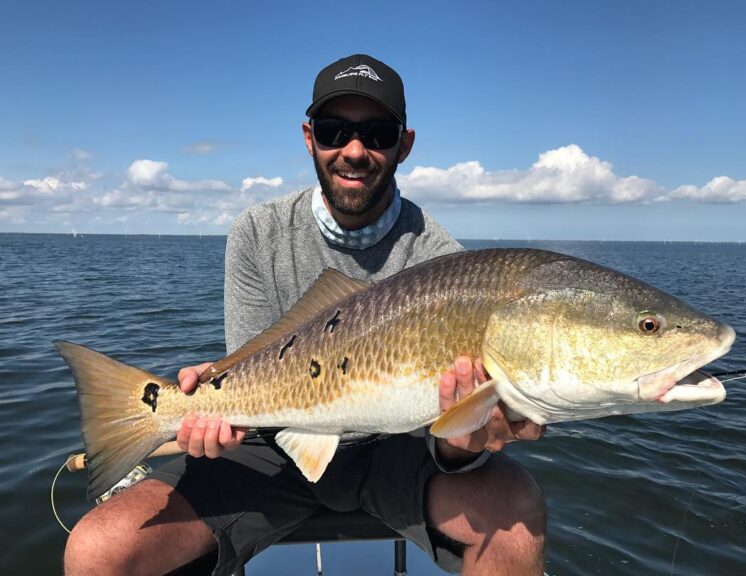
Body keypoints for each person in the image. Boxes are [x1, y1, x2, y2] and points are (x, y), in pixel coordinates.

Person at [63, 54, 547, 576]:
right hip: (275, 445)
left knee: (517, 513)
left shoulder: (443, 260)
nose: (355, 150)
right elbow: (252, 366)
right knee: (97, 550)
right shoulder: (258, 232)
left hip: (401, 448)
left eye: (377, 132)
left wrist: (462, 444)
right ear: (308, 136)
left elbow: (451, 441)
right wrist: (207, 411)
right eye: (334, 130)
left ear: (404, 144)